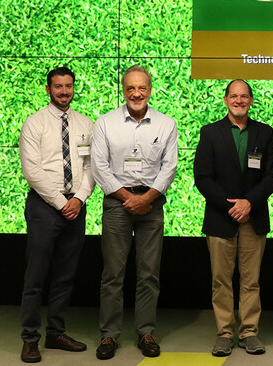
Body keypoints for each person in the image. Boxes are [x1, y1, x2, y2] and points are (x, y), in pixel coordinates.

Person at [91, 65, 178, 360]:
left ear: (150, 90)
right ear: (123, 90)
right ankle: (109, 335)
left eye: (142, 88)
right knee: (112, 273)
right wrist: (129, 198)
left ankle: (146, 331)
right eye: (130, 88)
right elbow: (100, 168)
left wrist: (148, 198)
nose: (136, 93)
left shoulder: (166, 124)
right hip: (118, 203)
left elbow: (170, 167)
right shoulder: (105, 123)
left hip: (151, 204)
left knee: (149, 273)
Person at [194, 79, 273, 357]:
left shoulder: (264, 133)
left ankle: (250, 332)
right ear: (226, 99)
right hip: (221, 218)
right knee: (221, 279)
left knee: (251, 280)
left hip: (254, 218)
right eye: (234, 96)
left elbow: (271, 177)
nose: (239, 100)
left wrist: (249, 203)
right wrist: (231, 205)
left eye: (244, 96)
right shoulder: (210, 133)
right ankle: (225, 333)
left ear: (251, 100)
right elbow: (202, 178)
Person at [18, 66, 94, 363]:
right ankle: (30, 339)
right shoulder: (35, 123)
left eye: (69, 86)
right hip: (44, 207)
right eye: (58, 86)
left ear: (74, 88)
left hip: (76, 206)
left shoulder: (85, 124)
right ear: (48, 89)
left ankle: (56, 333)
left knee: (65, 276)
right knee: (35, 277)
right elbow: (32, 171)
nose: (64, 91)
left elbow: (91, 168)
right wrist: (61, 203)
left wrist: (78, 198)